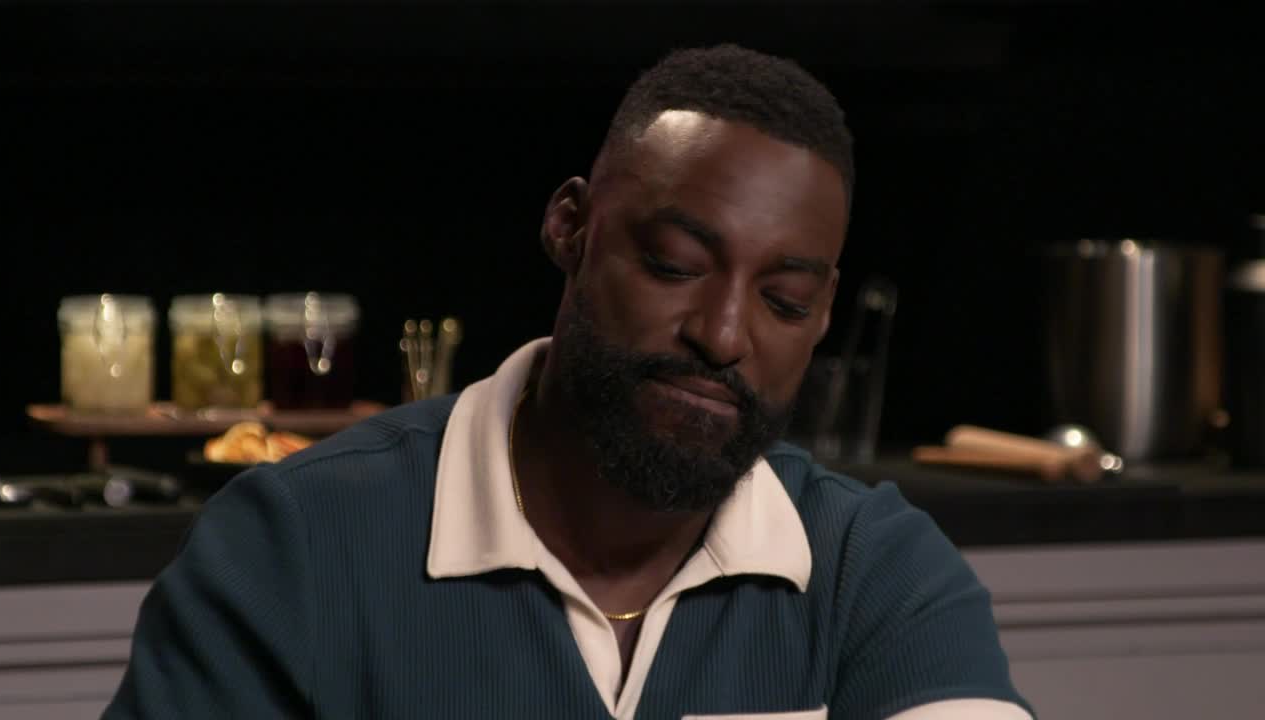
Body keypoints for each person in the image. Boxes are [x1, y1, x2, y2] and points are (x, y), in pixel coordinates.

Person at [104, 44, 1034, 719]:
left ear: (824, 315)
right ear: (570, 228)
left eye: (783, 302)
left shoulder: (873, 570)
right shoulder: (294, 547)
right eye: (674, 265)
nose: (722, 335)